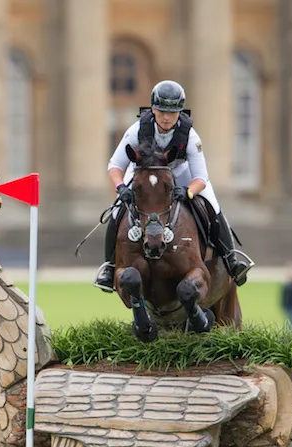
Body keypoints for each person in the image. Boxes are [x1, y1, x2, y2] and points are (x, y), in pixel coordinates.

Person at [93, 79, 254, 292]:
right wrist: (120, 187)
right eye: (161, 112)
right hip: (144, 171)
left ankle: (231, 259)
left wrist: (187, 192)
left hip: (181, 174)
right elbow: (115, 165)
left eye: (173, 112)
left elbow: (201, 178)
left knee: (212, 205)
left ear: (180, 112)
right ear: (153, 109)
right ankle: (110, 267)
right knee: (116, 212)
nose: (167, 118)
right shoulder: (136, 129)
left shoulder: (190, 135)